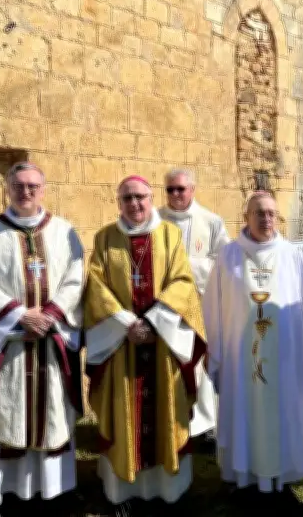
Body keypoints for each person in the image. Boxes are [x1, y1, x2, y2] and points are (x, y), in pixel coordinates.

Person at [0, 162, 85, 510]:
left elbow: (76, 276)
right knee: (6, 411)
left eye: (32, 186)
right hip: (9, 345)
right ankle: (2, 494)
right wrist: (19, 315)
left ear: (43, 190)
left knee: (52, 413)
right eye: (18, 186)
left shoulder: (64, 232)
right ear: (8, 189)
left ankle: (53, 491)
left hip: (50, 341)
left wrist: (50, 315)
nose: (25, 192)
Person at [202, 190, 303, 499]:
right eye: (259, 213)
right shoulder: (228, 255)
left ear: (278, 218)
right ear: (246, 217)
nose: (266, 219)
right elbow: (213, 306)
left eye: (271, 213)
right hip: (241, 359)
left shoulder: (291, 255)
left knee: (283, 412)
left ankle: (280, 479)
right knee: (243, 411)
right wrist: (213, 347)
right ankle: (243, 477)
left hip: (284, 357)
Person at [83, 175, 206, 515]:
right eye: (127, 198)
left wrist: (153, 323)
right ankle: (123, 491)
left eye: (140, 197)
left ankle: (170, 490)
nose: (134, 204)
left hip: (162, 343)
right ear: (118, 202)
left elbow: (183, 282)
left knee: (168, 411)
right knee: (124, 417)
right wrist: (126, 325)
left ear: (151, 199)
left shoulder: (169, 235)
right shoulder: (105, 238)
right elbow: (96, 287)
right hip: (122, 346)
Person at [158, 168, 228, 444]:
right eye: (170, 189)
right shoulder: (155, 220)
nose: (175, 195)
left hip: (198, 303)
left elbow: (223, 261)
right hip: (164, 304)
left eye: (180, 189)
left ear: (193, 189)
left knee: (198, 361)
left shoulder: (211, 221)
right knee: (169, 360)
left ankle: (203, 425)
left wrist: (184, 265)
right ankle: (169, 421)